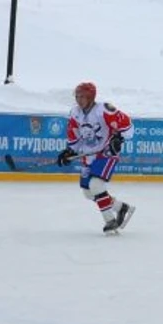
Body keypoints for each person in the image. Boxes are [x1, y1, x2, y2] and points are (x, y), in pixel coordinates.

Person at [57, 81, 135, 233]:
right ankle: (121, 208)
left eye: (82, 96)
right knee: (88, 192)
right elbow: (74, 135)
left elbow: (128, 127)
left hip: (106, 154)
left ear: (91, 97)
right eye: (77, 96)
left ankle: (110, 222)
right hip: (89, 156)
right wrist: (69, 151)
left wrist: (119, 138)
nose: (79, 99)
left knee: (96, 185)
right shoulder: (75, 113)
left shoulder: (104, 110)